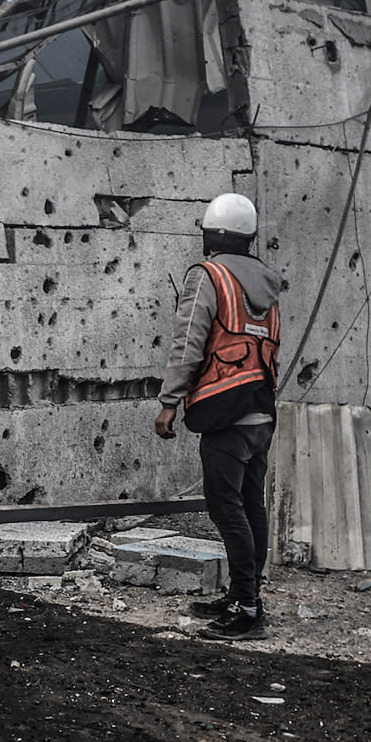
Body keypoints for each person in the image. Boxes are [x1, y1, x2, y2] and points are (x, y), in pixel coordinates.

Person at [153, 192, 283, 640]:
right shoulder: (266, 283)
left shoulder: (209, 275)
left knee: (227, 509)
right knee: (250, 505)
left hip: (225, 410)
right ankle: (244, 595)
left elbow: (188, 341)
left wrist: (169, 402)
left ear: (212, 235)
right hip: (261, 410)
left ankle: (247, 608)